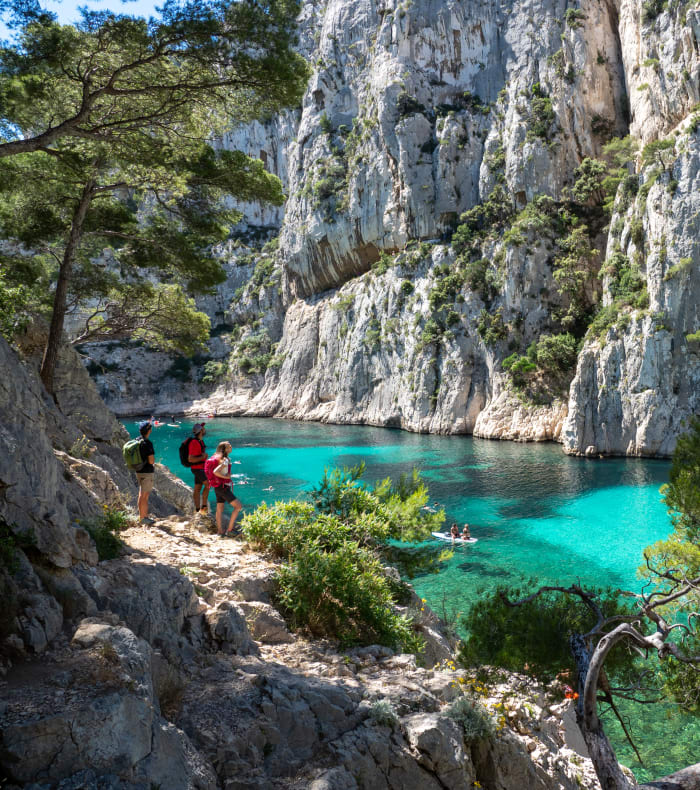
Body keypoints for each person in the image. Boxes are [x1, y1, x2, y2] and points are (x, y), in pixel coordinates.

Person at [210, 441, 242, 537]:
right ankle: (230, 529)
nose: (231, 447)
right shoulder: (225, 460)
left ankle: (220, 531)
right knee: (238, 506)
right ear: (225, 449)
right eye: (229, 446)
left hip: (218, 487)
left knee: (219, 509)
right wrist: (226, 478)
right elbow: (215, 471)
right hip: (223, 487)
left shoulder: (220, 458)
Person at [188, 423, 210, 516]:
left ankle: (197, 510)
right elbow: (190, 459)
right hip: (197, 468)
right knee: (208, 484)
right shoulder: (194, 442)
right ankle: (203, 508)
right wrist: (203, 457)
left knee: (197, 489)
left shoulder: (200, 441)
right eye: (203, 428)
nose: (204, 430)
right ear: (200, 431)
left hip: (200, 468)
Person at [136, 420, 155, 525]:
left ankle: (141, 516)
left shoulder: (136, 440)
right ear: (149, 430)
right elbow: (151, 460)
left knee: (141, 494)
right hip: (147, 472)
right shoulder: (147, 443)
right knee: (145, 496)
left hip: (138, 471)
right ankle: (144, 518)